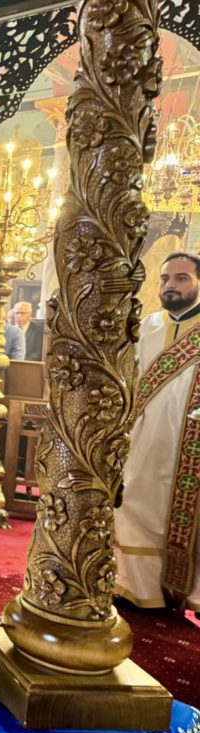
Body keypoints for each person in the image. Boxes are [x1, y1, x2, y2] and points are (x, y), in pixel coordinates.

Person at [115, 252, 200, 612]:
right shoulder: (146, 327)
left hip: (189, 447)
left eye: (181, 278)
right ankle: (134, 586)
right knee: (134, 504)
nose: (170, 286)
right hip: (142, 440)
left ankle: (182, 591)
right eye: (165, 278)